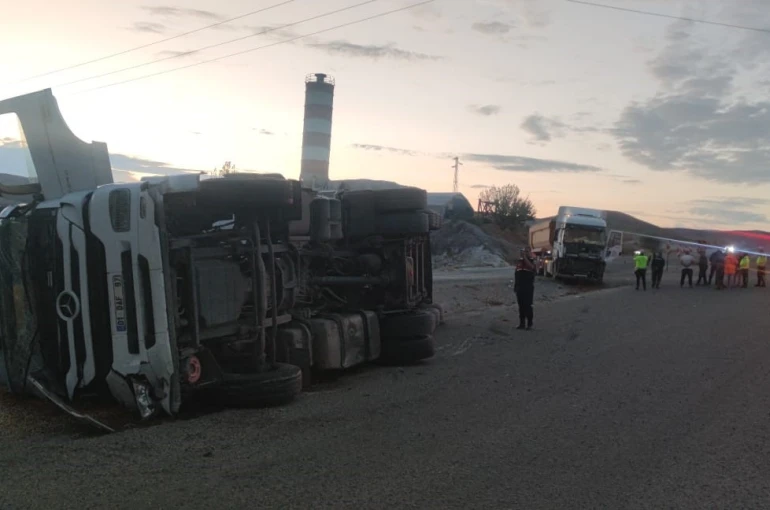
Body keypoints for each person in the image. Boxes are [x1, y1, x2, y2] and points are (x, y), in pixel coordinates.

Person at [514, 247, 536, 330]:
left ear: (530, 252)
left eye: (527, 251)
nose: (524, 253)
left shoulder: (531, 261)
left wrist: (525, 257)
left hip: (528, 288)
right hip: (520, 287)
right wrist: (515, 286)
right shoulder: (520, 262)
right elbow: (516, 274)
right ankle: (521, 323)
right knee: (521, 306)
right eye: (523, 251)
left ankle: (529, 323)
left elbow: (532, 267)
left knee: (528, 306)